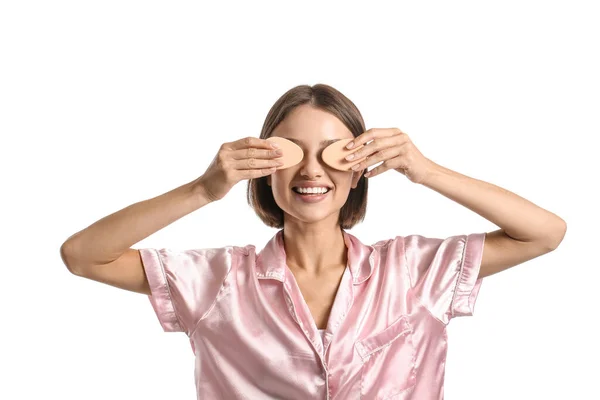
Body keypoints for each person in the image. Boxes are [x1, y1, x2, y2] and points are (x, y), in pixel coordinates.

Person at [60, 84, 567, 399]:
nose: (310, 170)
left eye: (331, 153)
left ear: (358, 169)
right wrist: (203, 188)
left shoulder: (414, 270)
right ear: (264, 169)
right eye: (292, 152)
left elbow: (545, 232)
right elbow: (82, 255)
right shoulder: (216, 280)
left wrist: (424, 169)